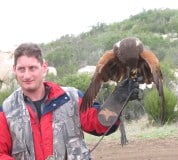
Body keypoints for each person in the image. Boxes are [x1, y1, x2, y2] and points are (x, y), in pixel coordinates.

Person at [0, 43, 139, 160]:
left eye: (32, 68)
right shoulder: (6, 110)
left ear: (44, 67)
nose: (27, 75)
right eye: (21, 69)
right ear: (14, 70)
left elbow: (98, 124)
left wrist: (117, 100)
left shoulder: (71, 98)